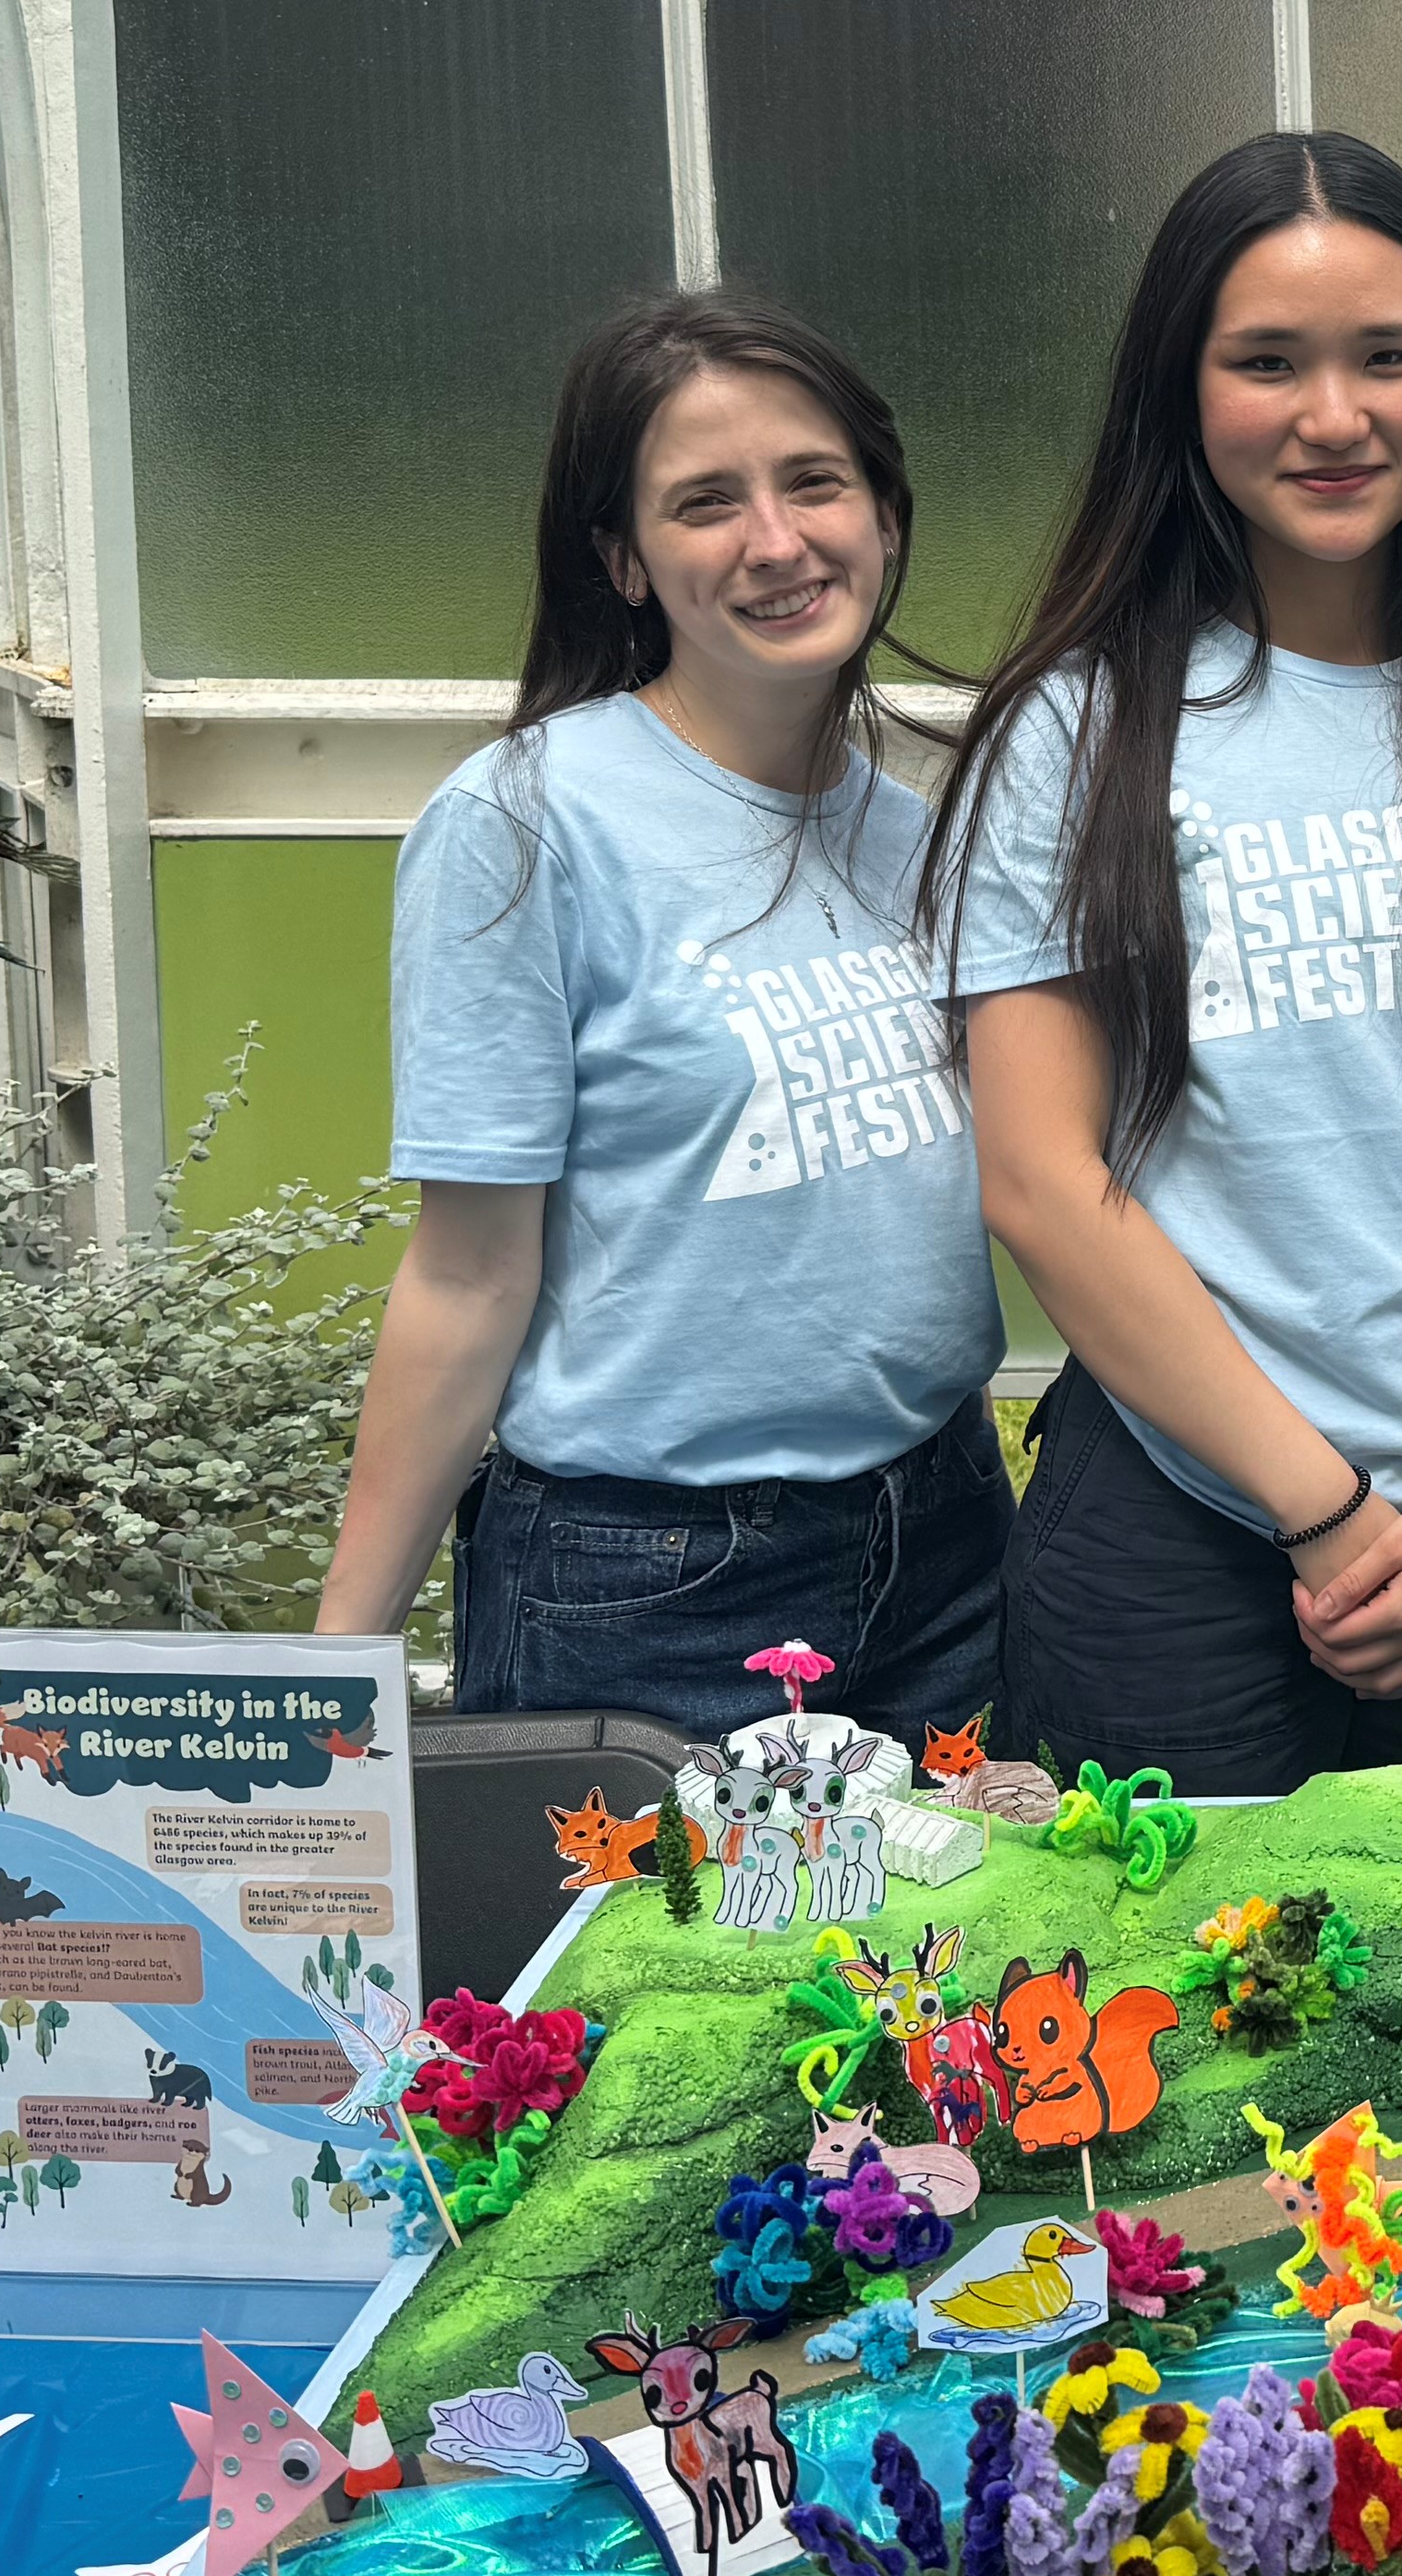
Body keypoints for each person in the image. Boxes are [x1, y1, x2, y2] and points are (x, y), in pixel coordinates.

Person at [925, 131, 1402, 1797]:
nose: (1335, 417)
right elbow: (1041, 1181)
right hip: (1178, 1521)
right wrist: (1320, 1506)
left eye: (1388, 358)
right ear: (1180, 392)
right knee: (1149, 2038)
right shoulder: (1080, 727)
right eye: (1268, 362)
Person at [314, 298, 1009, 1748]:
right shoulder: (521, 826)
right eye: (706, 504)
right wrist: (336, 1670)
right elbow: (465, 1279)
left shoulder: (924, 839)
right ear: (625, 561)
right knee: (654, 1980)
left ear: (884, 511)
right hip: (652, 1584)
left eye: (815, 482)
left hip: (946, 1539)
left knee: (940, 1978)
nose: (777, 540)